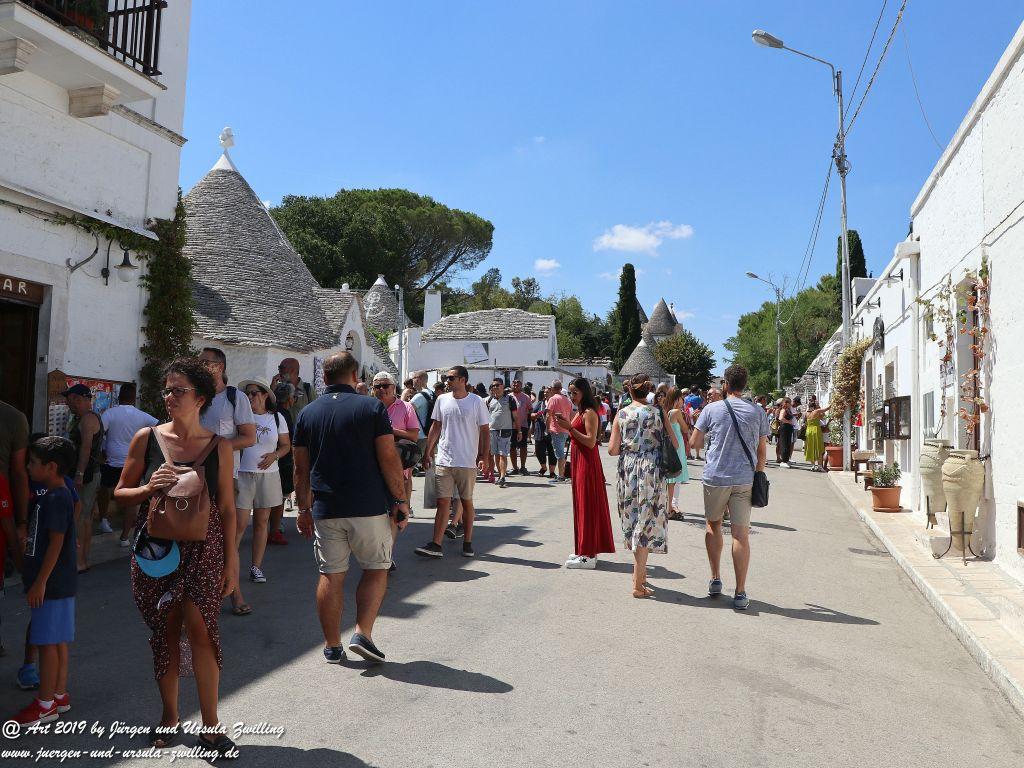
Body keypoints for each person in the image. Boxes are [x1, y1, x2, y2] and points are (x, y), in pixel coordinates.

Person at [116, 357, 239, 756]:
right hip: (157, 548)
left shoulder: (220, 447)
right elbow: (120, 493)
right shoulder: (146, 438)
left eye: (178, 390)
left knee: (202, 631)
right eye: (167, 389)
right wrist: (149, 488)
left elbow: (229, 508)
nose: (169, 396)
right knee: (165, 633)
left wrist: (233, 562)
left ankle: (211, 724)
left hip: (206, 547)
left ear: (201, 398)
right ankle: (169, 716)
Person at [292, 352, 409, 664]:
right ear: (355, 374)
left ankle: (332, 645)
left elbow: (300, 469)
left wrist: (303, 509)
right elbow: (388, 457)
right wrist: (400, 501)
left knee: (330, 574)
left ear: (325, 378)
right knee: (375, 568)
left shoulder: (307, 413)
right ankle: (363, 632)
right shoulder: (371, 407)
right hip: (369, 505)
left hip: (326, 508)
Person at [689, 364, 768, 611]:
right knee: (740, 534)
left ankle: (715, 579)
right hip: (744, 478)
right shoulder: (758, 412)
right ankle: (741, 591)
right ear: (744, 385)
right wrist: (757, 475)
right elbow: (762, 453)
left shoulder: (712, 409)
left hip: (716, 477)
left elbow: (694, 443)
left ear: (725, 384)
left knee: (713, 526)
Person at [11, 436, 77, 726]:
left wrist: (40, 582)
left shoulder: (55, 497)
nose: (28, 467)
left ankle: (45, 704)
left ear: (51, 467)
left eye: (33, 463)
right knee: (58, 640)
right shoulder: (59, 494)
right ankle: (59, 696)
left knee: (47, 643)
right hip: (59, 582)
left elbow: (56, 543)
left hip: (51, 584)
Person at [416, 366, 489, 559]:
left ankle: (467, 542)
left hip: (466, 461)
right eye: (446, 378)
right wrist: (428, 452)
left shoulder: (476, 402)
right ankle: (436, 544)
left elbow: (484, 430)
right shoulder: (442, 400)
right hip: (444, 460)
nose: (447, 381)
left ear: (463, 380)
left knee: (466, 502)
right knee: (442, 503)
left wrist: (484, 456)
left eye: (451, 378)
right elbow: (436, 426)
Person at [608, 374, 666, 598]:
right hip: (651, 469)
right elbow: (673, 441)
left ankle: (639, 579)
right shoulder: (656, 413)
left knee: (634, 522)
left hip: (628, 469)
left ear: (630, 391)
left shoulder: (621, 414)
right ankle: (637, 582)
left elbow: (612, 450)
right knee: (646, 522)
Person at [234, 377, 290, 599]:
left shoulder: (277, 418)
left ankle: (256, 567)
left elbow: (286, 445)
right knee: (238, 524)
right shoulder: (240, 417)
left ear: (266, 395)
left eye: (254, 392)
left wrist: (274, 455)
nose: (250, 397)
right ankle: (229, 566)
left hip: (268, 475)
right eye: (248, 393)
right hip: (242, 474)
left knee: (261, 522)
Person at [554, 378, 614, 570]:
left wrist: (569, 427)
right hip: (581, 461)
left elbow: (590, 441)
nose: (572, 396)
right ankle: (584, 549)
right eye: (570, 393)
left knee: (586, 506)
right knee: (581, 504)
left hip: (587, 463)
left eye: (575, 393)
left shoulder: (589, 412)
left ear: (584, 392)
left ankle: (588, 553)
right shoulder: (581, 411)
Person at [99, 383, 158, 547]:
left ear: (119, 396)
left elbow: (99, 432)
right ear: (134, 398)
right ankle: (125, 537)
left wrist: (101, 450)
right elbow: (159, 426)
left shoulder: (109, 413)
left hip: (112, 460)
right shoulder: (142, 415)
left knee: (105, 489)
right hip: (132, 463)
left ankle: (103, 520)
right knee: (131, 501)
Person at [62, 384, 102, 573]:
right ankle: (83, 560)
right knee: (85, 518)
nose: (70, 404)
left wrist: (79, 473)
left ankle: (78, 562)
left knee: (79, 517)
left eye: (72, 400)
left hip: (85, 475)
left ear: (81, 399)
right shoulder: (84, 418)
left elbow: (86, 447)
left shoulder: (87, 419)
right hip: (88, 474)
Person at [372, 371, 419, 521]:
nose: (381, 389)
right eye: (377, 386)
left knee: (395, 512)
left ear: (393, 387)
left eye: (385, 385)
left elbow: (414, 435)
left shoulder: (406, 407)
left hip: (396, 461)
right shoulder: (368, 407)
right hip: (373, 461)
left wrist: (390, 431)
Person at [267, 383, 296, 545]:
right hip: (281, 461)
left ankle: (275, 525)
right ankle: (275, 528)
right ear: (289, 398)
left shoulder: (273, 412)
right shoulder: (283, 414)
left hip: (275, 459)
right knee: (279, 496)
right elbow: (288, 441)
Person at [1, 396, 30, 548]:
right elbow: (19, 473)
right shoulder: (14, 417)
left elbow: (18, 473)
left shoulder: (13, 417)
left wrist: (22, 523)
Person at [662, 387, 690, 519]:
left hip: (671, 446)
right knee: (675, 477)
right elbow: (685, 428)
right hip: (677, 446)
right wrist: (688, 416)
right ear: (677, 398)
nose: (683, 400)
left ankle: (670, 506)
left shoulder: (666, 410)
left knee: (671, 479)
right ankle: (671, 507)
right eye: (681, 398)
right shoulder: (676, 411)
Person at [485, 378, 516, 487]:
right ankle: (500, 476)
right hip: (492, 430)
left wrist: (519, 430)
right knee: (496, 454)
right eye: (493, 385)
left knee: (503, 454)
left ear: (502, 386)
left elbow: (515, 416)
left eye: (497, 385)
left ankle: (502, 476)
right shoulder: (489, 400)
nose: (495, 387)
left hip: (505, 430)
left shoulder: (509, 399)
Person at [271, 357, 316, 422]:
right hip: (283, 431)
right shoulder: (278, 388)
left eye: (282, 368)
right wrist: (272, 390)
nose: (279, 371)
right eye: (279, 368)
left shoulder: (307, 389)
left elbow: (315, 413)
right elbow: (269, 409)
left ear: (293, 370)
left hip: (301, 431)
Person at [409, 371, 435, 475]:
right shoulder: (432, 393)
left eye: (413, 378)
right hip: (428, 433)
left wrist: (403, 396)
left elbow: (406, 411)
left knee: (409, 468)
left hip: (418, 435)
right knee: (429, 464)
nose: (412, 381)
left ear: (418, 379)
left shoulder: (419, 396)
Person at [546, 380, 572, 483]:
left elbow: (548, 415)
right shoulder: (567, 400)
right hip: (565, 429)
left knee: (560, 454)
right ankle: (561, 474)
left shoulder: (553, 399)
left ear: (552, 388)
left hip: (556, 429)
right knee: (561, 453)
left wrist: (547, 428)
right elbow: (570, 414)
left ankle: (561, 476)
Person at [509, 379, 532, 475]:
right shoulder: (508, 397)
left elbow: (530, 409)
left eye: (517, 385)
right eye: (514, 385)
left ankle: (523, 467)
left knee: (523, 447)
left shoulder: (526, 397)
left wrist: (526, 414)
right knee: (512, 447)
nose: (515, 386)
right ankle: (515, 468)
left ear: (521, 386)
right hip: (510, 426)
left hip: (523, 425)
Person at [531, 387, 556, 478]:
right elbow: (532, 415)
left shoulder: (555, 404)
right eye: (544, 392)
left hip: (552, 431)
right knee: (539, 451)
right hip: (540, 430)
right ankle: (544, 468)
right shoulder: (540, 404)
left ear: (552, 393)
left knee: (552, 452)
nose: (545, 394)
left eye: (547, 392)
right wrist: (536, 415)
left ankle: (552, 472)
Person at [804, 401, 828, 472]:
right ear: (815, 407)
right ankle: (820, 466)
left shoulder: (806, 413)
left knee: (810, 448)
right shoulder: (816, 411)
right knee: (819, 448)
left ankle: (813, 465)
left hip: (809, 431)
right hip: (816, 430)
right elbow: (826, 410)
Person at [777, 397, 796, 468]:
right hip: (785, 427)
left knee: (788, 444)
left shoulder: (788, 410)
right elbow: (780, 418)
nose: (790, 404)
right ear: (786, 403)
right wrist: (788, 421)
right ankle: (783, 461)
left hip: (789, 428)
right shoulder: (783, 410)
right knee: (784, 443)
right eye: (789, 402)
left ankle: (786, 459)